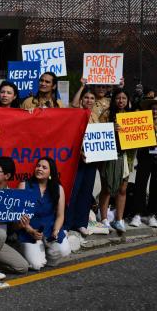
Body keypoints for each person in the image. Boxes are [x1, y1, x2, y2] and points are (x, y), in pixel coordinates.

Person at [16, 157, 70, 270]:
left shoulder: (58, 188)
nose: (39, 169)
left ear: (51, 172)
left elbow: (60, 215)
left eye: (44, 167)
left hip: (50, 229)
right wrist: (30, 230)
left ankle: (45, 251)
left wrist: (56, 231)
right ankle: (34, 250)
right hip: (29, 230)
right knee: (37, 265)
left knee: (64, 251)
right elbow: (18, 216)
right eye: (38, 166)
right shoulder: (24, 185)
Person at [130, 96, 157, 228]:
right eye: (153, 109)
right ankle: (137, 214)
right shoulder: (142, 123)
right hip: (145, 154)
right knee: (140, 184)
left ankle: (152, 215)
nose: (155, 111)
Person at [99, 89, 135, 233]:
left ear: (128, 101)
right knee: (107, 188)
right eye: (118, 98)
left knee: (122, 188)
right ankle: (104, 219)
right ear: (114, 100)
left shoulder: (132, 116)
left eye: (124, 98)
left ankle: (119, 220)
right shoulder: (106, 114)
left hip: (126, 156)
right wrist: (110, 128)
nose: (121, 101)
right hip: (109, 155)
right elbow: (96, 131)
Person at [65, 81, 99, 235]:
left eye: (92, 98)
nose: (89, 100)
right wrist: (81, 86)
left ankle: (81, 222)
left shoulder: (97, 116)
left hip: (91, 158)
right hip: (76, 158)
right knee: (73, 190)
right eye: (86, 97)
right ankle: (66, 223)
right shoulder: (76, 113)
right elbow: (73, 104)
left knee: (86, 191)